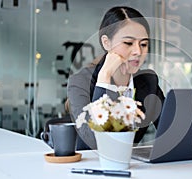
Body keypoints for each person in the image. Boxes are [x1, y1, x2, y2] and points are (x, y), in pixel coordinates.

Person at [67, 6, 165, 150]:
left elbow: (170, 131)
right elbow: (95, 141)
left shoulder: (147, 82)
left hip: (130, 167)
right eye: (128, 43)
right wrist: (104, 77)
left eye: (143, 44)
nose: (138, 51)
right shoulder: (81, 81)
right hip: (91, 165)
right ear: (106, 43)